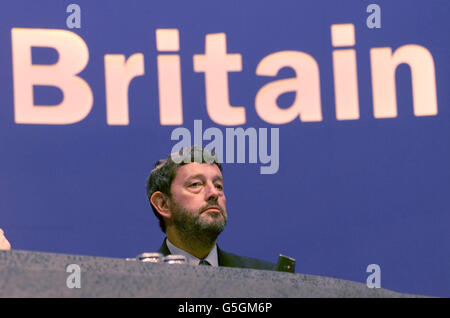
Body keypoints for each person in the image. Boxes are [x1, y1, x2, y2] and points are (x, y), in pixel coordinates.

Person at [146, 146, 275, 270]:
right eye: (195, 184)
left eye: (218, 186)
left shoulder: (267, 278)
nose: (213, 193)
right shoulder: (138, 280)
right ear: (163, 204)